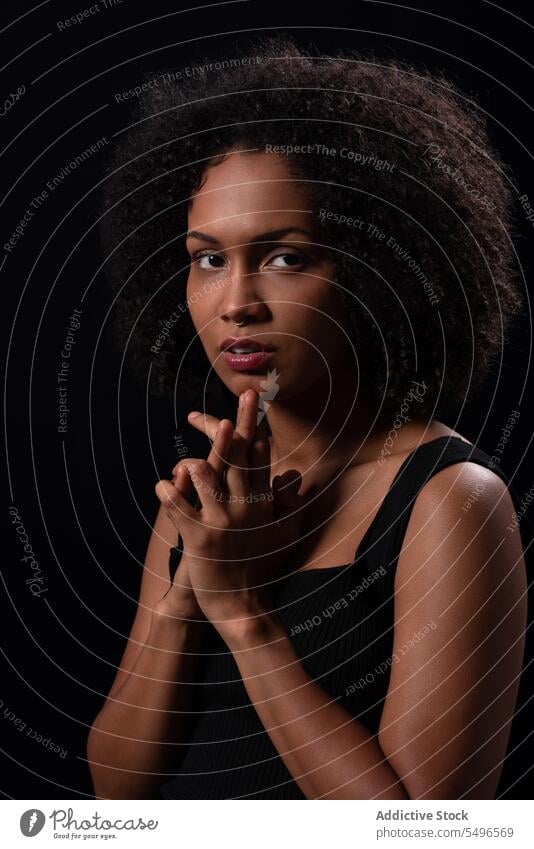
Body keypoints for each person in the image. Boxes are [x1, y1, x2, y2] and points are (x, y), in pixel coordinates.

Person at [87, 34, 528, 799]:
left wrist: (245, 615)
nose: (236, 303)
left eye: (286, 256)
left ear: (378, 270)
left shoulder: (448, 501)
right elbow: (117, 790)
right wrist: (192, 582)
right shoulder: (200, 499)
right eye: (207, 257)